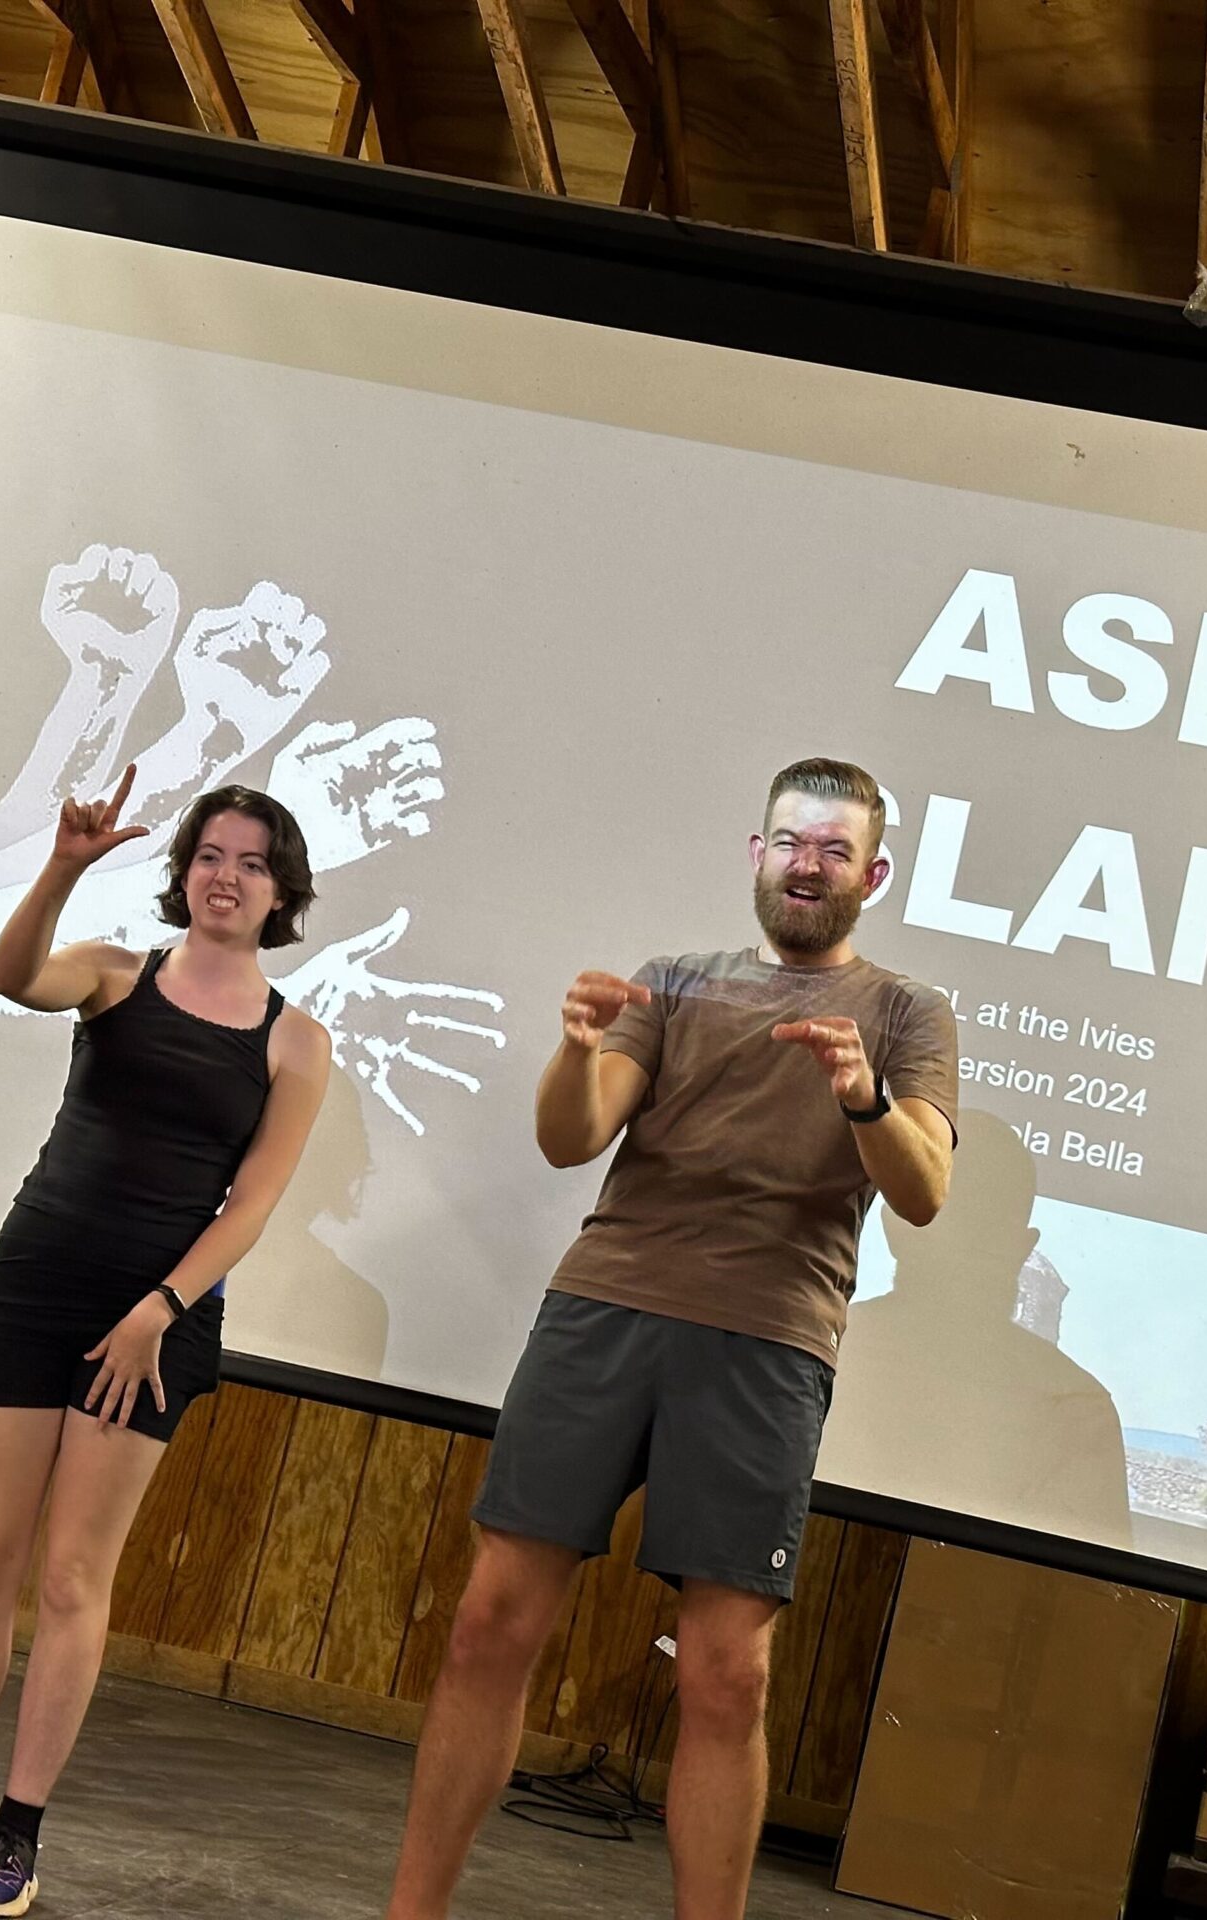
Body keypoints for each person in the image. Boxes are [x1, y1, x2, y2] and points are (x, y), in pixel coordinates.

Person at [385, 758, 959, 1920]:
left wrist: (861, 1096)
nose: (809, 863)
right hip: (604, 1310)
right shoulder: (674, 985)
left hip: (767, 1343)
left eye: (834, 849)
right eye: (791, 841)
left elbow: (927, 1190)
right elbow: (573, 1136)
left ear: (872, 875)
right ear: (756, 854)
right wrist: (571, 1046)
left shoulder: (905, 1013)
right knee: (491, 1621)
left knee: (726, 1676)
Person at [0, 771, 332, 1917]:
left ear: (280, 892)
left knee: (71, 1577)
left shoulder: (295, 1041)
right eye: (212, 853)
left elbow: (251, 1203)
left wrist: (160, 1307)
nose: (227, 874)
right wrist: (61, 866)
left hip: (151, 1323)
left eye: (253, 862)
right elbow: (14, 976)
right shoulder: (117, 972)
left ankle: (19, 1837)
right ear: (185, 872)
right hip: (34, 1283)